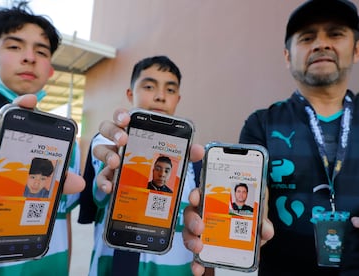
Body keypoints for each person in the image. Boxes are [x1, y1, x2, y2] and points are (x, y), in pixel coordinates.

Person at [183, 0, 359, 275]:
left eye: (335, 34)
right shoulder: (262, 124)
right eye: (307, 37)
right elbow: (249, 193)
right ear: (288, 57)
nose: (321, 44)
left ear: (356, 49)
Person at [0, 2, 84, 275]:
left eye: (41, 51)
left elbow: (62, 215)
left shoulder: (65, 137)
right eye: (14, 46)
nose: (29, 57)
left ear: (51, 69)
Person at [78, 55, 202, 275]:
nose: (160, 96)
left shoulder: (193, 160)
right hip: (115, 267)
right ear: (130, 93)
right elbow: (98, 196)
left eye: (170, 90)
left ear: (178, 99)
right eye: (149, 86)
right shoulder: (108, 142)